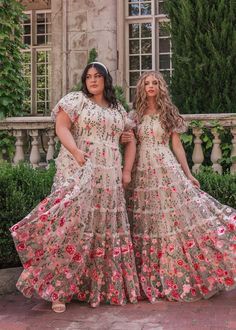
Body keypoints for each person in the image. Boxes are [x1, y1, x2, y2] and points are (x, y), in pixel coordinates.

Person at [10, 62, 140, 313]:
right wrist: (76, 151)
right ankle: (58, 290)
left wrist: (126, 172)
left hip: (109, 175)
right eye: (88, 77)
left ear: (106, 80)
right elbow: (61, 127)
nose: (92, 80)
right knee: (71, 226)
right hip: (80, 169)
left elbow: (130, 139)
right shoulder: (75, 100)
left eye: (98, 76)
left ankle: (98, 287)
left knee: (101, 228)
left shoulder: (117, 110)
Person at [124, 71, 236, 302]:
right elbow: (130, 144)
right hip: (142, 171)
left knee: (173, 218)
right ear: (142, 88)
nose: (151, 86)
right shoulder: (135, 116)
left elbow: (177, 146)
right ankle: (152, 276)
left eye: (155, 83)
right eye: (147, 83)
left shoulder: (168, 113)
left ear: (161, 87)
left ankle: (177, 272)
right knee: (148, 221)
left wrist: (188, 174)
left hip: (165, 167)